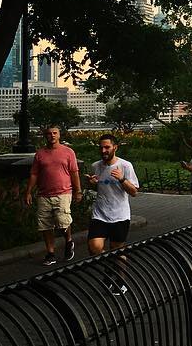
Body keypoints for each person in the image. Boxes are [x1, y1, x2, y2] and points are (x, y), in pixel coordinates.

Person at [87, 135, 139, 294]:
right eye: (101, 147)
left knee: (118, 250)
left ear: (115, 147)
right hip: (100, 214)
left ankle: (120, 280)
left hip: (120, 215)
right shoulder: (95, 166)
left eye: (107, 147)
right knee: (94, 247)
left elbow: (134, 192)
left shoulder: (125, 165)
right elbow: (97, 187)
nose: (103, 150)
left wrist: (122, 179)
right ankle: (109, 268)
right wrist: (92, 184)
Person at [25, 125, 83, 265]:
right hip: (44, 194)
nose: (52, 135)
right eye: (49, 133)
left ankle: (68, 241)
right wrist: (28, 192)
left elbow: (74, 173)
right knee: (45, 225)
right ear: (46, 136)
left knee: (63, 222)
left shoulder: (68, 152)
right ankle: (50, 253)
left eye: (55, 133)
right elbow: (34, 174)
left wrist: (78, 191)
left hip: (63, 193)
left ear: (59, 135)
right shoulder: (40, 154)